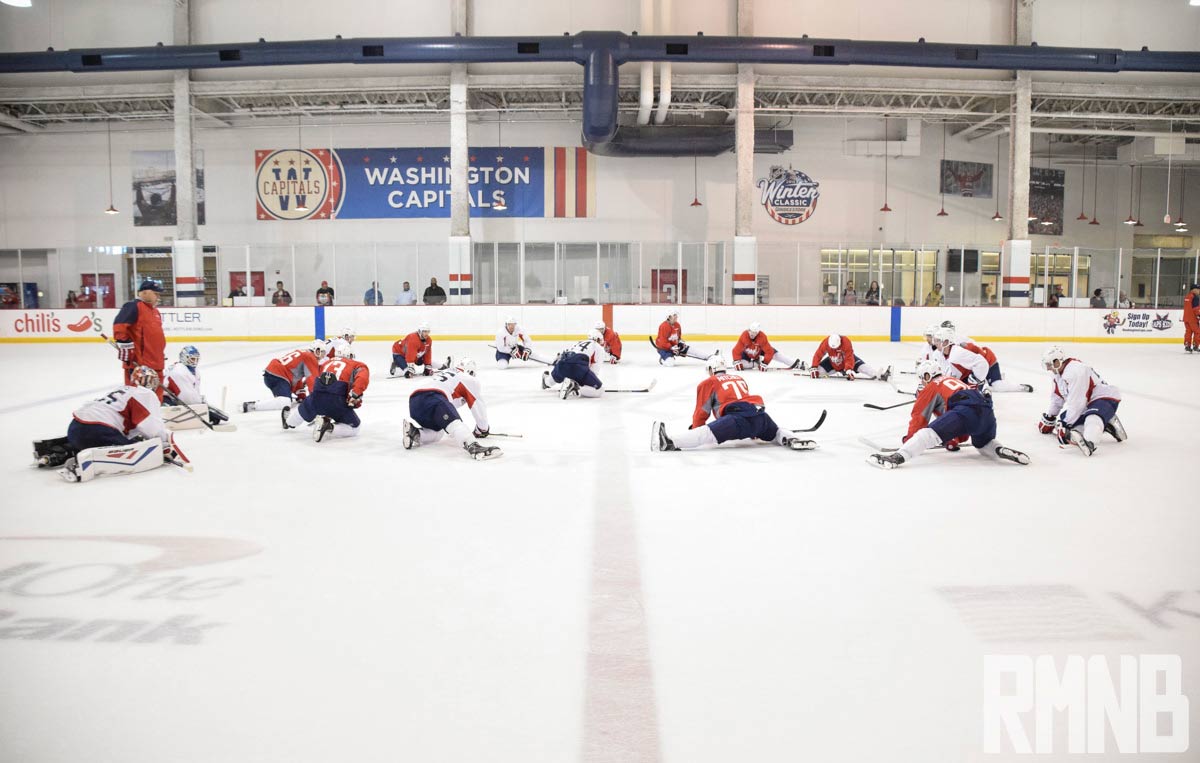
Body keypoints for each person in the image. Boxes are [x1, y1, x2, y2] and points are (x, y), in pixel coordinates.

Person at [651, 353, 816, 452]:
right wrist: (753, 432)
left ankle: (669, 442)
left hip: (735, 421)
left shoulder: (708, 382)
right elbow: (743, 399)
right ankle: (793, 439)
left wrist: (696, 428)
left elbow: (701, 413)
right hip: (759, 415)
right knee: (776, 432)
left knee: (705, 434)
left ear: (710, 369)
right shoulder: (738, 377)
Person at [55, 366, 189, 483]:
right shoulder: (145, 393)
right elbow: (151, 427)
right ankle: (81, 464)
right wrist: (164, 446)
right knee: (137, 451)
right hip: (97, 432)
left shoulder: (123, 389)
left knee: (130, 441)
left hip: (74, 428)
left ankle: (60, 449)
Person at [867, 384, 1030, 470]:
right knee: (983, 444)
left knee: (927, 435)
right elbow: (961, 427)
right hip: (987, 412)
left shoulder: (932, 385)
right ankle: (999, 450)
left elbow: (919, 416)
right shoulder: (957, 381)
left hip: (965, 412)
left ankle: (896, 458)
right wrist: (954, 438)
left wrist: (910, 439)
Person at [402, 357, 501, 461]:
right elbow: (478, 405)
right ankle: (473, 446)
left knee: (438, 433)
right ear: (470, 371)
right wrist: (482, 429)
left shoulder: (446, 372)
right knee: (455, 424)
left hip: (414, 402)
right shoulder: (469, 379)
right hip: (434, 397)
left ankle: (415, 433)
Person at [1038, 346, 1126, 457]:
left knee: (1092, 418)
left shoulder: (1075, 371)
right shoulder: (1058, 374)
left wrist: (1066, 424)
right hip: (1086, 404)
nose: (1049, 368)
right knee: (1067, 423)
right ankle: (1108, 422)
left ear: (1058, 361)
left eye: (1050, 364)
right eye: (1047, 365)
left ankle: (1090, 441)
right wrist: (1050, 417)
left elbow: (1077, 402)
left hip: (1103, 397)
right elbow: (1057, 397)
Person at [284, 347, 370, 442]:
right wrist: (355, 394)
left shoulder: (325, 363)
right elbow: (362, 378)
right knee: (355, 428)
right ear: (350, 356)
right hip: (337, 400)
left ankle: (288, 422)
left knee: (300, 413)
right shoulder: (357, 365)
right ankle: (329, 427)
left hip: (316, 395)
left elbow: (313, 378)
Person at [931, 327, 1033, 393]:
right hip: (974, 366)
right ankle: (988, 382)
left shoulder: (956, 353)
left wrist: (977, 380)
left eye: (938, 341)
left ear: (946, 342)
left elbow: (982, 363)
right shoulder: (943, 353)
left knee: (997, 386)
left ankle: (1021, 387)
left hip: (988, 360)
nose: (935, 343)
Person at [114, 280, 166, 402]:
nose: (158, 297)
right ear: (145, 293)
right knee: (138, 400)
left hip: (157, 363)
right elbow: (119, 326)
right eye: (156, 293)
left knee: (156, 399)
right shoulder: (133, 306)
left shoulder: (155, 311)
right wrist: (126, 346)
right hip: (140, 366)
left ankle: (155, 420)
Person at [242, 340, 326, 412]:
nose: (323, 355)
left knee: (283, 399)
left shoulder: (303, 353)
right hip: (278, 376)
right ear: (317, 350)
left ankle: (261, 403)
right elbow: (312, 380)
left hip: (272, 375)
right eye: (322, 352)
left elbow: (296, 375)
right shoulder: (310, 358)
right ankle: (252, 405)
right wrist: (317, 398)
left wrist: (301, 395)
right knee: (285, 402)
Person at [541, 329, 608, 400]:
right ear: (596, 339)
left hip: (562, 363)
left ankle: (546, 382)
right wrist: (588, 384)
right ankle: (575, 386)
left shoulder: (578, 343)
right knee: (599, 390)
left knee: (550, 382)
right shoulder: (598, 347)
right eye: (600, 340)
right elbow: (594, 370)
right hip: (578, 367)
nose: (602, 342)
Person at [808, 334, 890, 381]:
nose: (834, 349)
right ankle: (807, 369)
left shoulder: (846, 342)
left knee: (863, 368)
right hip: (833, 361)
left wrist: (849, 369)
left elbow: (849, 356)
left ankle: (879, 375)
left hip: (847, 361)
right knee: (818, 372)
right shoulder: (826, 342)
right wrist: (814, 367)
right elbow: (818, 354)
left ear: (839, 342)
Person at [731, 322, 800, 371]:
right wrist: (737, 361)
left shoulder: (762, 337)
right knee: (743, 365)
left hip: (760, 350)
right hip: (747, 352)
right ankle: (756, 363)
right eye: (750, 331)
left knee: (776, 355)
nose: (752, 334)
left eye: (754, 332)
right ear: (748, 330)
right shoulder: (744, 335)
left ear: (758, 332)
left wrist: (765, 362)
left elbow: (769, 352)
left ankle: (794, 363)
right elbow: (736, 350)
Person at [1184, 283, 1200, 353]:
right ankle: (1196, 346)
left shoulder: (1187, 296)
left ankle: (1187, 346)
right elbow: (1196, 308)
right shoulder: (1195, 297)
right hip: (1193, 319)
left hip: (1186, 318)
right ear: (1193, 290)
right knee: (1197, 332)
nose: (1199, 291)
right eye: (1198, 289)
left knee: (1188, 332)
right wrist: (1199, 315)